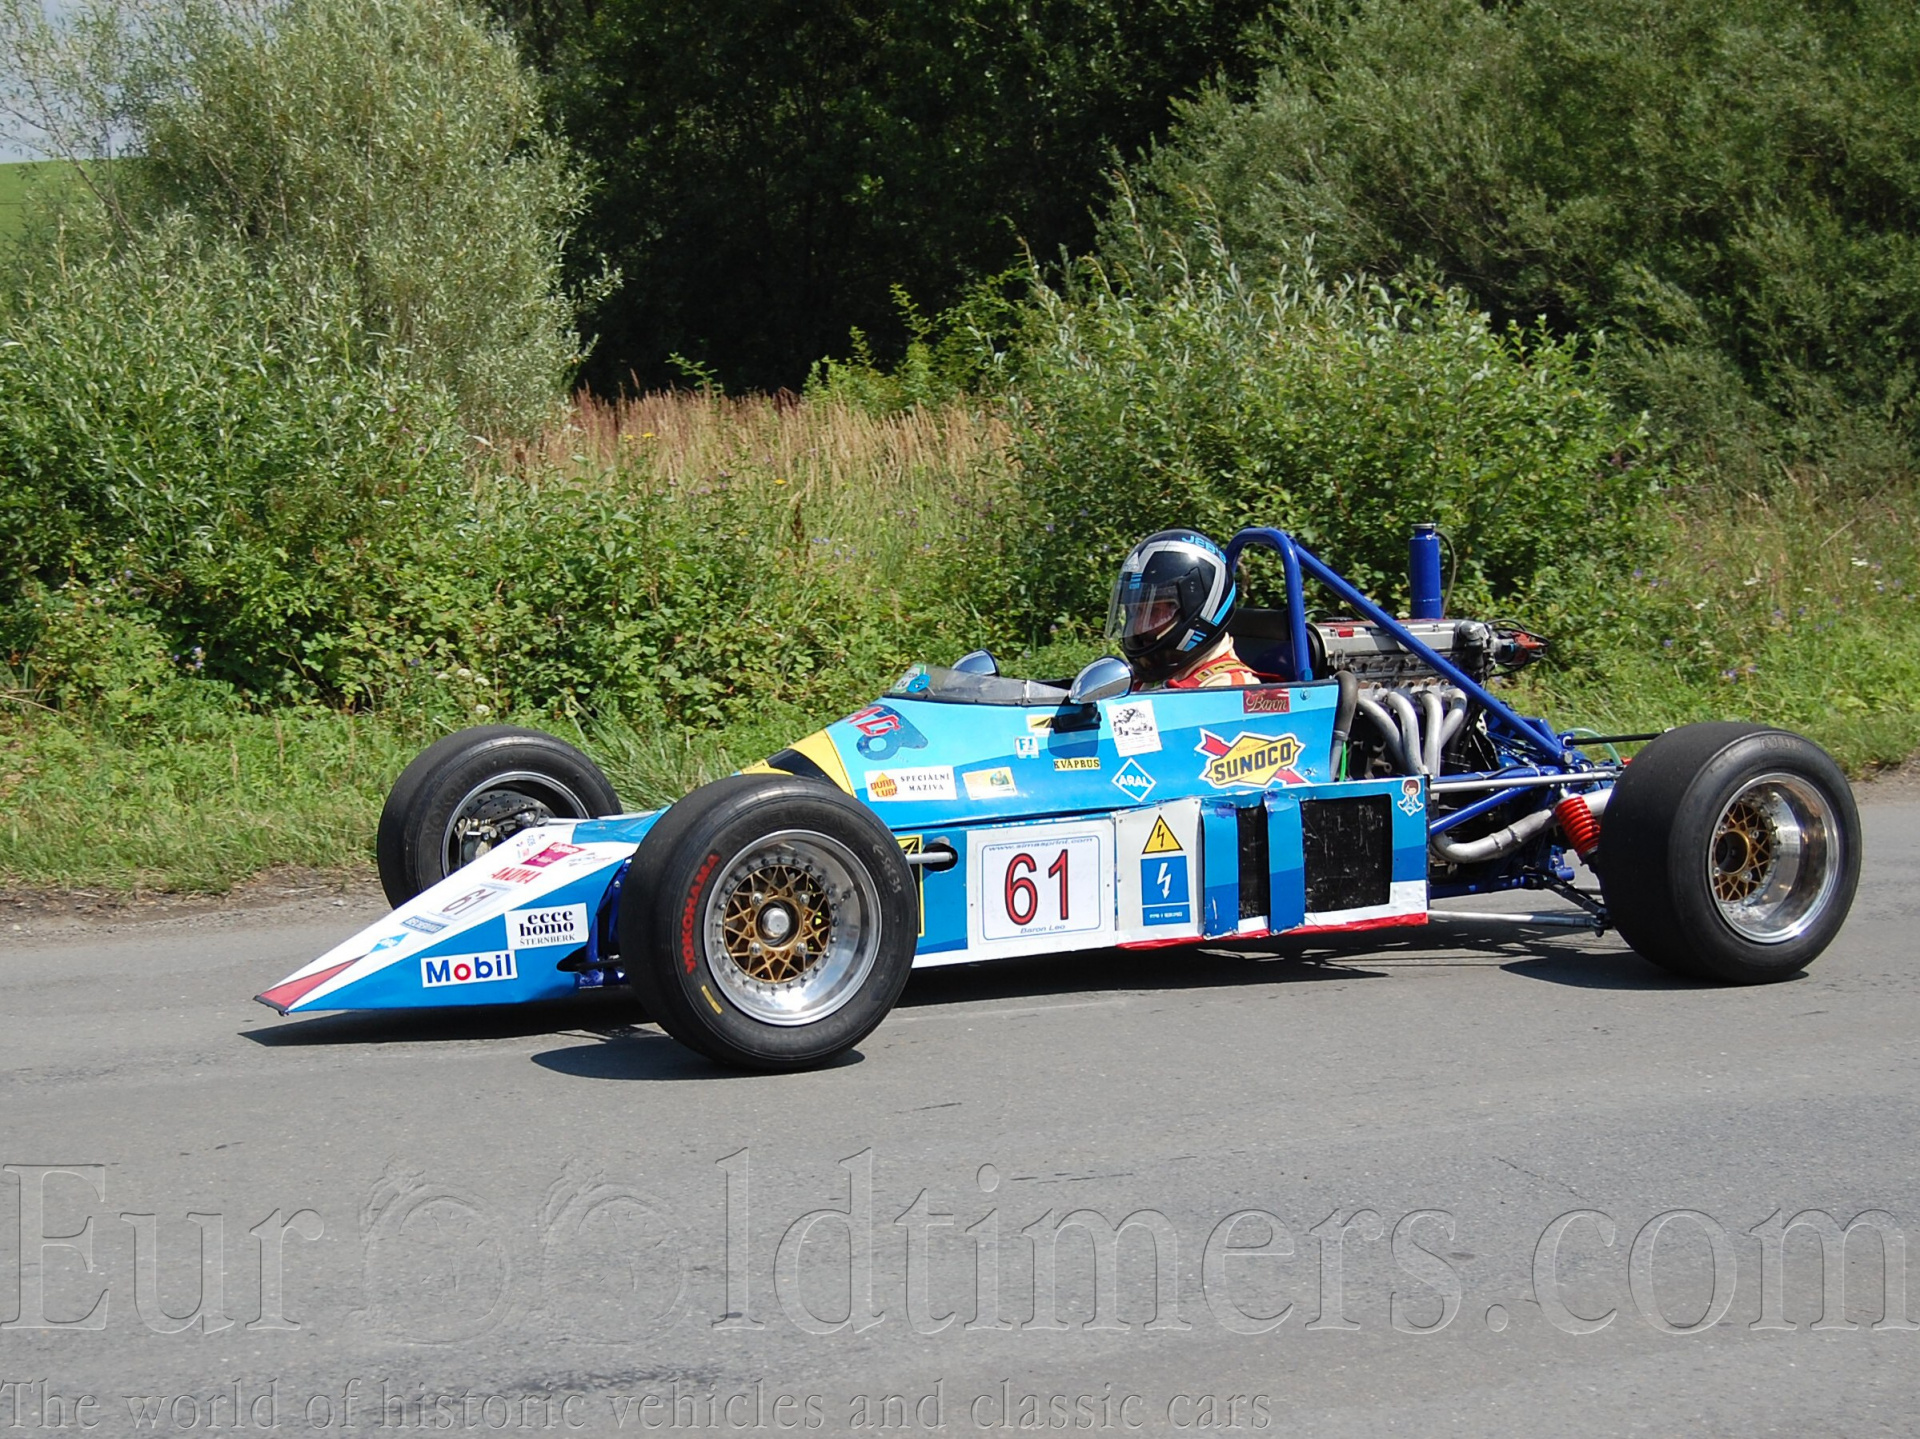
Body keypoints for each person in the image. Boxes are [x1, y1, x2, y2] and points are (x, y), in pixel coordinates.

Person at [1107, 529, 1262, 688]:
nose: (1139, 627)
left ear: (1196, 612)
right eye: (1136, 612)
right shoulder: (1150, 676)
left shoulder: (1229, 689)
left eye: (1154, 611)